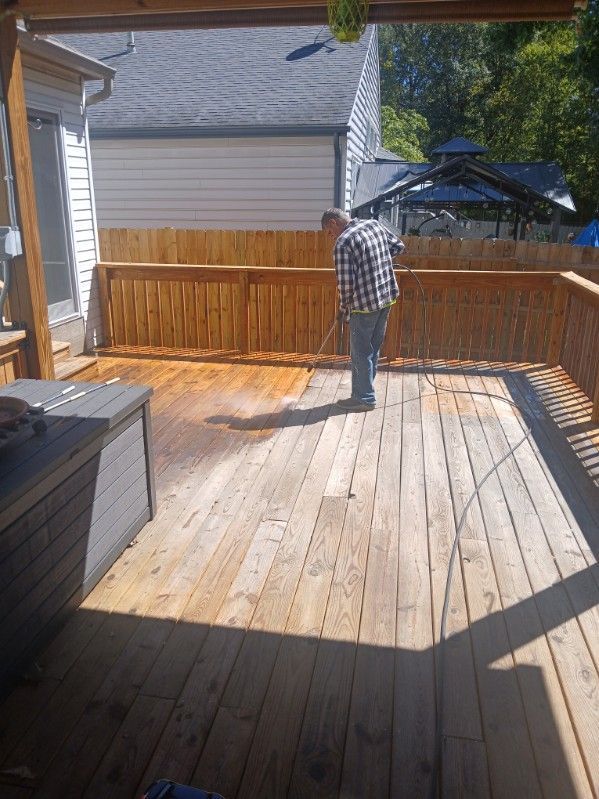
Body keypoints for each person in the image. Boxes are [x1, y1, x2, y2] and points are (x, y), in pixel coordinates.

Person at [321, 208, 404, 411]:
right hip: (386, 298)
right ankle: (365, 391)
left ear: (333, 223)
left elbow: (346, 285)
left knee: (360, 353)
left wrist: (343, 308)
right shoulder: (373, 225)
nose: (331, 237)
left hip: (364, 306)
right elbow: (398, 247)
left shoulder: (343, 243)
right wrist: (376, 263)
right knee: (372, 349)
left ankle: (364, 398)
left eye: (329, 232)